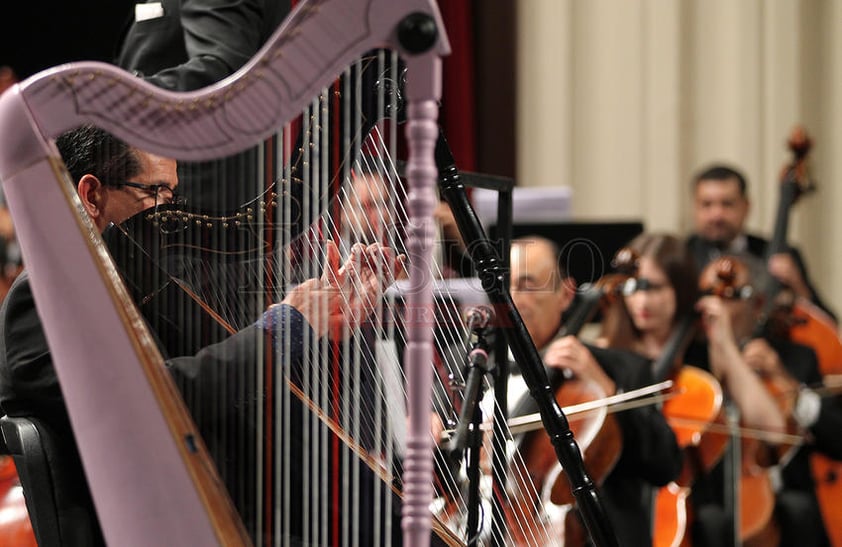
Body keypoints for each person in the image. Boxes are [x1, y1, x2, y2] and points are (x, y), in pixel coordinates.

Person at [0, 124, 404, 545]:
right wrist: (287, 327)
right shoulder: (42, 300)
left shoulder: (152, 289)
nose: (170, 215)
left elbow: (235, 378)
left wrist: (325, 319)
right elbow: (149, 402)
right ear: (92, 195)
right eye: (155, 193)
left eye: (172, 197)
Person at [504, 235, 682, 546]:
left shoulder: (621, 369)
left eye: (528, 285)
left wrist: (604, 386)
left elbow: (664, 463)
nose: (513, 297)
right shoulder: (469, 362)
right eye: (505, 285)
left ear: (566, 294)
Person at [686, 163, 837, 323]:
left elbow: (830, 326)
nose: (717, 214)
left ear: (746, 206)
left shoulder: (782, 253)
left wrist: (799, 287)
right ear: (694, 208)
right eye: (707, 204)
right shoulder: (682, 256)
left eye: (727, 204)